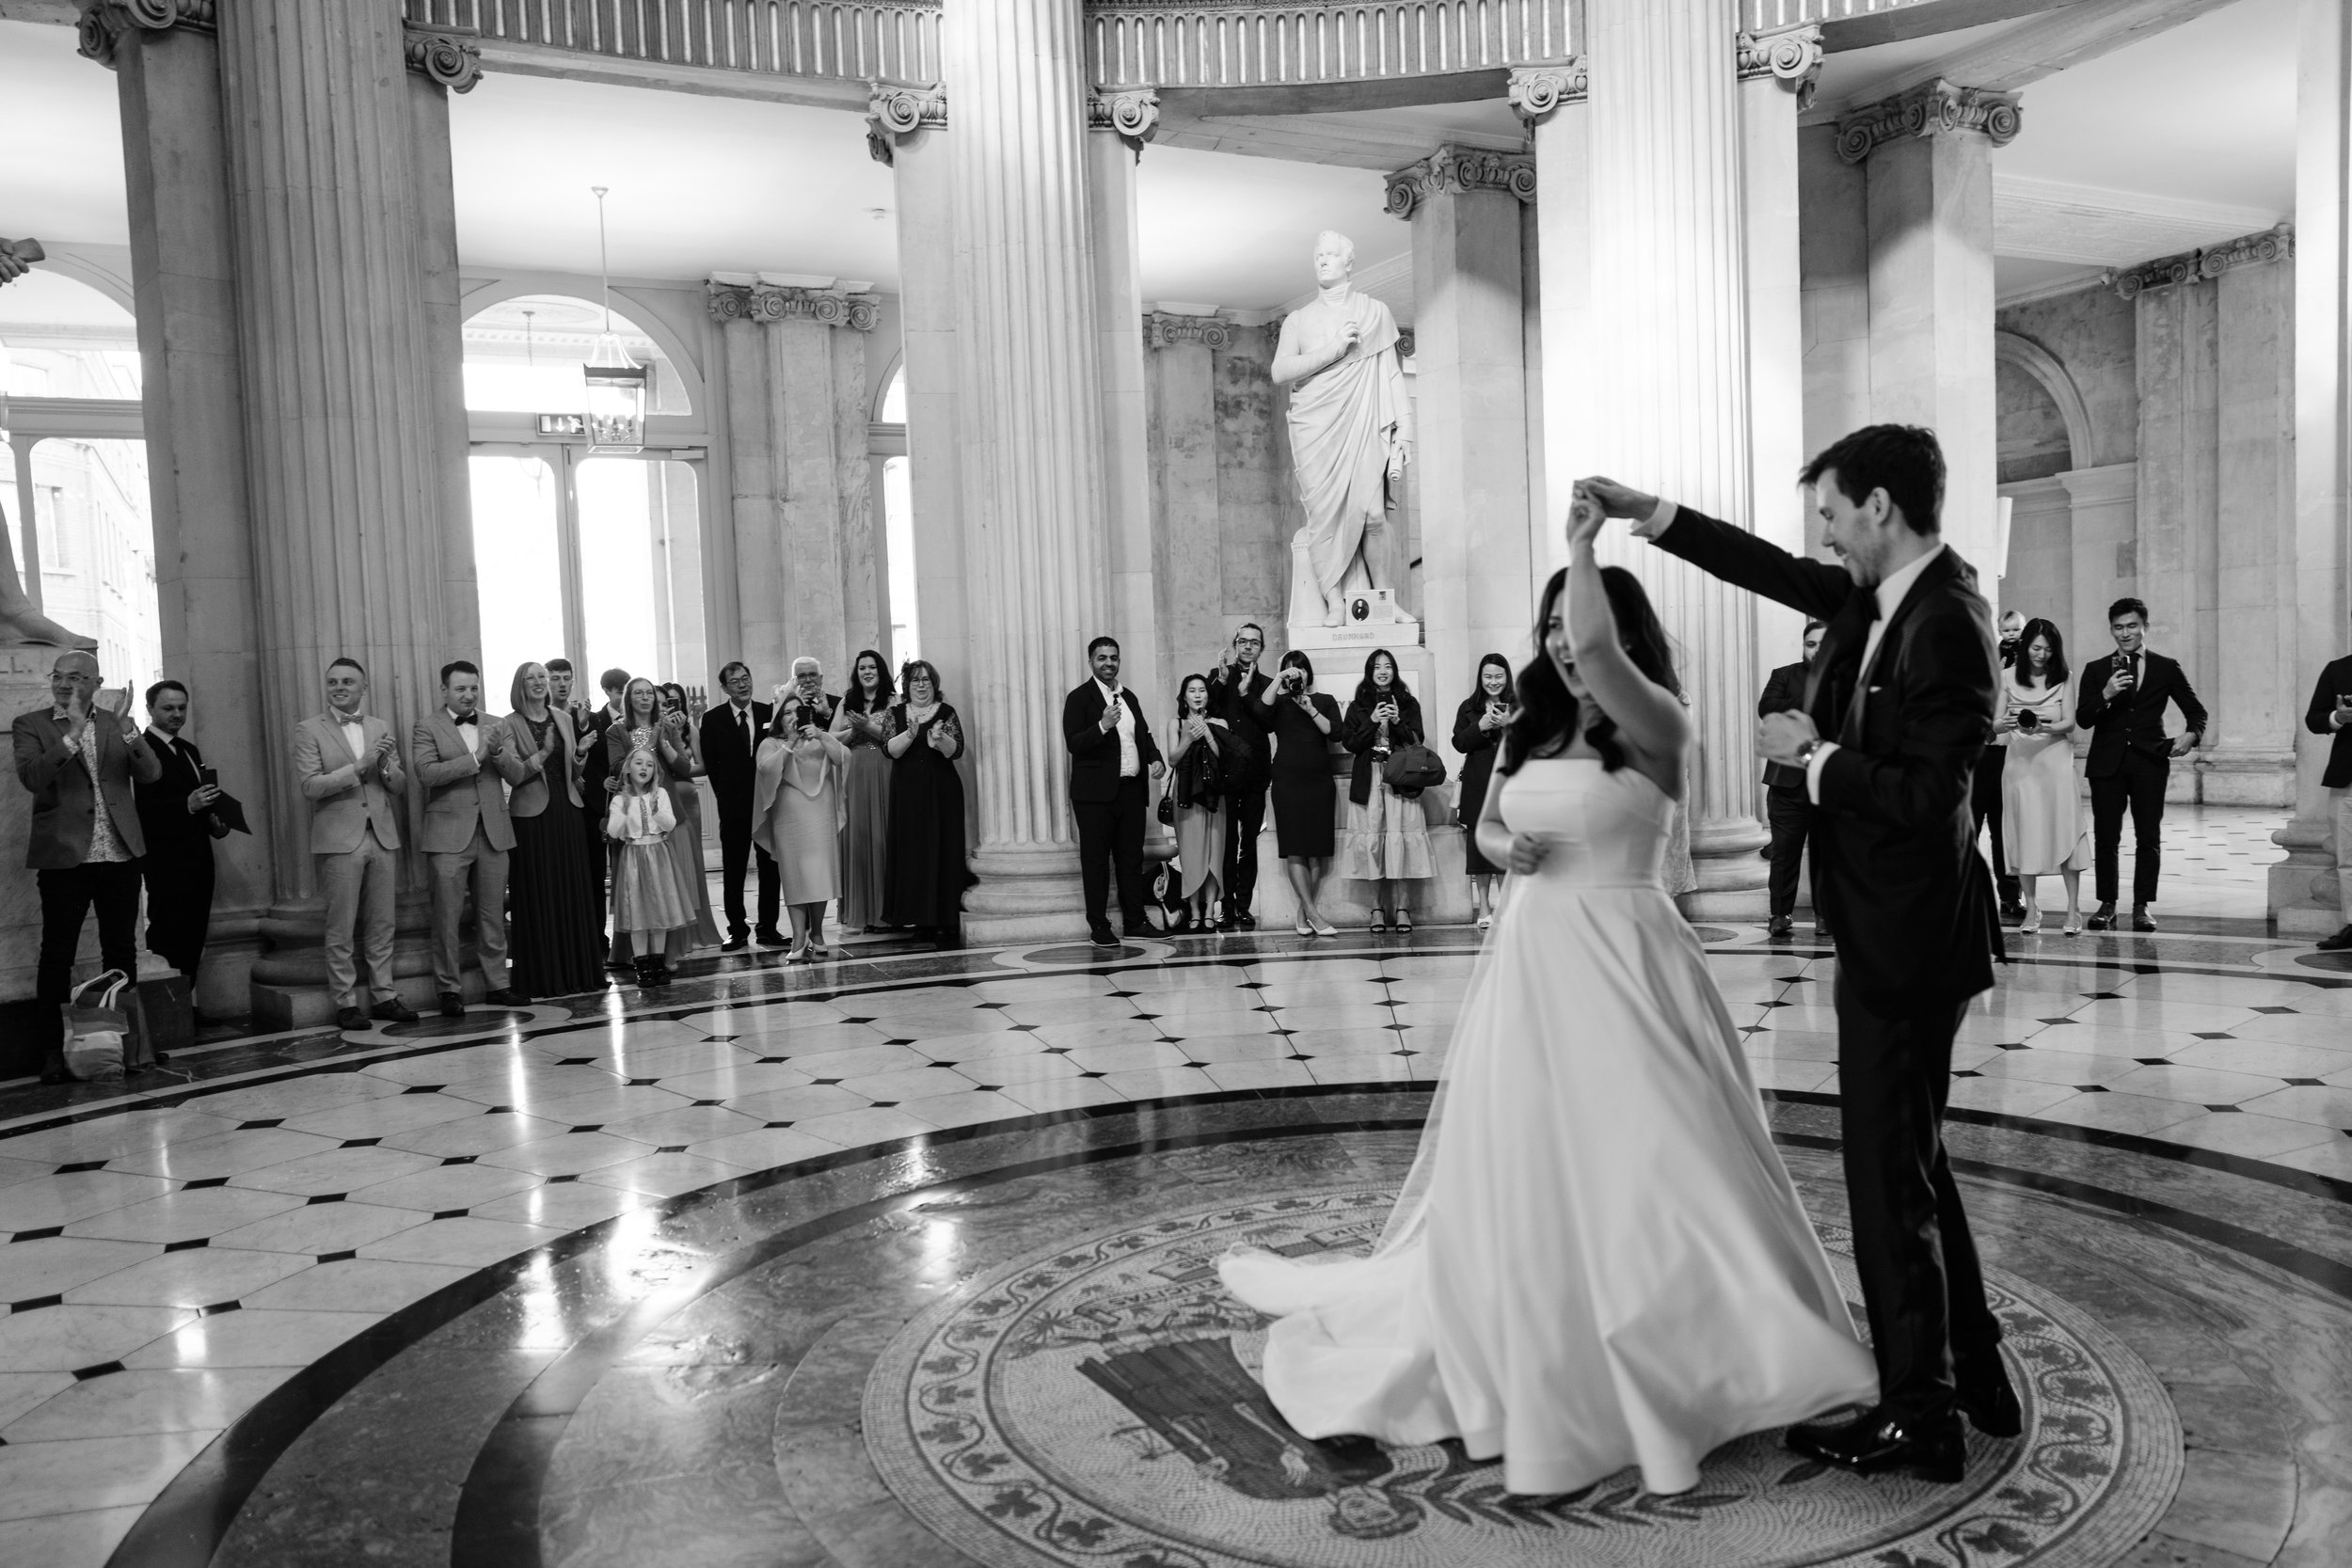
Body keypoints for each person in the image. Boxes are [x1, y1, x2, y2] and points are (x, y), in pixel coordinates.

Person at [1219, 512, 1876, 1497]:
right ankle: (1533, 1327)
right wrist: (1501, 852)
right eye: (1554, 635)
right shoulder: (1528, 727)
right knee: (1527, 1161)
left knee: (1653, 1156)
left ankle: (1689, 1344)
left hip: (1627, 955)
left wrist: (1583, 544)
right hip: (1532, 955)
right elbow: (1483, 828)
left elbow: (1608, 655)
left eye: (1582, 633)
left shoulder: (1662, 723)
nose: (1567, 649)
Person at [1581, 422, 2017, 1483]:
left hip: (1911, 941)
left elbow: (1928, 796)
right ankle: (1973, 1359)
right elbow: (1764, 567)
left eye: (1830, 511)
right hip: (1889, 926)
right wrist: (1651, 515)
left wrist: (1814, 759)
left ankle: (1920, 1416)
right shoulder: (1878, 599)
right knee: (1912, 1155)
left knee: (1883, 1178)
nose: (1820, 532)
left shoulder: (1947, 621)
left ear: (1879, 507)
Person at [15, 650, 165, 1081]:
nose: (64, 685)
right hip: (65, 856)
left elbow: (152, 774)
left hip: (119, 852)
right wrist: (72, 734)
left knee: (121, 952)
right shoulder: (34, 725)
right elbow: (31, 777)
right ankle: (53, 1052)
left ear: (96, 683)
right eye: (58, 677)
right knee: (57, 955)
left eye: (77, 677)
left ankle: (130, 1047)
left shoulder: (117, 724)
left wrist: (130, 730)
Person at [1273, 230, 1416, 626]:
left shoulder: (1374, 313)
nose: (1322, 261)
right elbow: (1280, 370)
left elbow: (1390, 375)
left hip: (1361, 421)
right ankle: (1334, 600)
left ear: (1349, 263)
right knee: (1323, 516)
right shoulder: (1298, 320)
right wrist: (1333, 349)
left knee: (1372, 515)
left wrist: (1404, 430)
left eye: (1331, 255)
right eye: (1318, 255)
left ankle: (1384, 601)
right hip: (1315, 426)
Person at [293, 657, 417, 1033]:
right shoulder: (308, 729)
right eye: (333, 682)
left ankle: (384, 995)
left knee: (383, 923)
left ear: (364, 688)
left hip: (381, 833)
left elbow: (397, 786)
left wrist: (382, 767)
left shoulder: (379, 726)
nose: (340, 687)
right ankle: (345, 1002)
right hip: (338, 839)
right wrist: (359, 767)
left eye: (348, 681)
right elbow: (310, 786)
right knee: (341, 926)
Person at [2077, 596, 2207, 932]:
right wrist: (2105, 694)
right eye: (2118, 627)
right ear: (2111, 630)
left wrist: (2191, 735)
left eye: (2132, 626)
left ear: (2144, 627)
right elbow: (2083, 719)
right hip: (2107, 764)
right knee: (2107, 836)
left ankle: (2142, 905)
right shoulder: (2095, 670)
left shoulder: (2166, 667)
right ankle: (2106, 904)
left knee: (2148, 836)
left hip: (2150, 761)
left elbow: (2197, 711)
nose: (2125, 633)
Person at [412, 660, 532, 1017]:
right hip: (448, 836)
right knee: (447, 917)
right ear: (445, 690)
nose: (468, 695)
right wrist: (476, 757)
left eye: (474, 688)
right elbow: (426, 773)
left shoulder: (497, 724)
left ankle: (498, 984)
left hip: (494, 831)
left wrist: (496, 752)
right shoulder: (426, 726)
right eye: (461, 689)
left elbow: (518, 774)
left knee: (493, 915)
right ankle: (448, 989)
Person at [504, 661, 603, 997]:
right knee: (538, 892)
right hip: (531, 818)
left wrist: (580, 754)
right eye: (531, 678)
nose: (538, 682)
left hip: (567, 810)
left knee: (571, 890)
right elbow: (514, 775)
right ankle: (544, 975)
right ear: (520, 685)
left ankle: (578, 971)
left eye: (541, 677)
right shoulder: (509, 724)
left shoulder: (563, 718)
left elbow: (574, 772)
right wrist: (544, 752)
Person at [1063, 636, 1165, 948]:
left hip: (1131, 792)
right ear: (1090, 661)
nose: (1109, 663)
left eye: (1113, 658)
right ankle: (1099, 925)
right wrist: (1103, 725)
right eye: (1102, 658)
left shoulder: (1129, 697)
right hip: (1094, 796)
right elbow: (1075, 743)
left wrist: (1155, 757)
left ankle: (1135, 921)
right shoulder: (1079, 698)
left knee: (1130, 860)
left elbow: (1142, 733)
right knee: (1095, 862)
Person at [606, 677, 714, 968]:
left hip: (666, 812)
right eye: (638, 693)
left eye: (648, 694)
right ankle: (639, 956)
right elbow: (617, 766)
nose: (644, 698)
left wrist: (663, 744)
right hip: (631, 812)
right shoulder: (616, 731)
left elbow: (682, 767)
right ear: (629, 699)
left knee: (667, 888)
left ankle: (670, 952)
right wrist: (646, 750)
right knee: (638, 890)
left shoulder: (666, 727)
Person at [132, 678, 230, 996]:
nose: (176, 714)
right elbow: (142, 807)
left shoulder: (188, 748)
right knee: (168, 932)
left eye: (181, 708)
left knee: (194, 933)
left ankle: (186, 1006)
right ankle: (166, 1010)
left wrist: (215, 823)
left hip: (198, 856)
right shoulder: (140, 749)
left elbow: (200, 799)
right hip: (164, 859)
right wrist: (187, 805)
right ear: (150, 709)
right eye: (168, 708)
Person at [1999, 620, 2090, 934]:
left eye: (2049, 649)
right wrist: (2008, 721)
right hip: (2020, 763)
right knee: (2025, 832)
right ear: (2024, 646)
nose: (2042, 654)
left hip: (2055, 761)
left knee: (2064, 829)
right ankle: (2032, 910)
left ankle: (2072, 910)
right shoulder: (2006, 677)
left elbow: (2069, 723)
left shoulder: (2064, 677)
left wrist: (2042, 727)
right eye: (2036, 647)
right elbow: (1994, 723)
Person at [755, 679, 851, 959]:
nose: (793, 717)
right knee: (796, 877)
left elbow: (843, 758)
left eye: (798, 711)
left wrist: (821, 735)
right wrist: (791, 743)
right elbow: (765, 770)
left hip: (819, 816)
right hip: (789, 820)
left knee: (818, 874)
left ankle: (818, 932)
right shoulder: (770, 743)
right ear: (779, 718)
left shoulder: (818, 741)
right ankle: (798, 937)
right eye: (787, 712)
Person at [1340, 648, 1432, 932]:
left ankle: (1403, 909)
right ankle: (1376, 910)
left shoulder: (1408, 702)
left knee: (1400, 840)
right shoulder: (1357, 706)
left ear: (1395, 671)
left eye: (1388, 666)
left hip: (1400, 781)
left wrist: (1395, 721)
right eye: (1377, 666)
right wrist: (1372, 721)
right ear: (1370, 672)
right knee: (1372, 844)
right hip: (1369, 780)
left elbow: (1418, 739)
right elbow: (1350, 744)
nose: (1383, 671)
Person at [882, 660, 973, 948]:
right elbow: (889, 750)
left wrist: (939, 738)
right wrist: (910, 734)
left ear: (934, 685)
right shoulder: (896, 713)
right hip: (907, 794)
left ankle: (946, 920)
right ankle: (920, 920)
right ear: (907, 686)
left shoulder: (946, 712)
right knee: (913, 853)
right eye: (916, 680)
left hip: (942, 792)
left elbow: (955, 751)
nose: (922, 684)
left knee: (944, 850)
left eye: (927, 680)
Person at [700, 659, 784, 951]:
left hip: (766, 802)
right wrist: (725, 795)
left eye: (745, 678)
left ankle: (768, 928)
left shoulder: (768, 713)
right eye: (735, 681)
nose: (743, 684)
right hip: (733, 805)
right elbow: (711, 765)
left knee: (769, 867)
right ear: (724, 687)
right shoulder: (712, 720)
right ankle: (737, 929)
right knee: (734, 868)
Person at [1263, 649, 1343, 937]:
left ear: (1310, 673)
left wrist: (1310, 708)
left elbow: (1335, 733)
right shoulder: (1278, 703)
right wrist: (1279, 679)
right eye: (1290, 669)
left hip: (1319, 781)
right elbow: (1261, 712)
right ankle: (1314, 914)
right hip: (1287, 781)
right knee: (1295, 849)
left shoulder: (1323, 701)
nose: (1297, 673)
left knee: (1318, 852)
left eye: (1301, 668)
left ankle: (1303, 911)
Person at [1757, 622, 1829, 942]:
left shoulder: (1849, 680)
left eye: (1824, 644)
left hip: (1832, 783)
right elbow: (1767, 708)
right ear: (1803, 646)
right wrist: (1809, 698)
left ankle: (1825, 915)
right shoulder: (1784, 675)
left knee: (1829, 854)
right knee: (1784, 853)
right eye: (1811, 644)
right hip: (1787, 783)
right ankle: (1779, 914)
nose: (1817, 650)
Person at [607, 742, 693, 989]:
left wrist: (656, 810)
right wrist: (621, 811)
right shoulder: (620, 799)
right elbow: (614, 831)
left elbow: (669, 824)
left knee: (659, 911)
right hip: (633, 856)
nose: (644, 768)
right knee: (638, 914)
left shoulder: (661, 795)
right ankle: (642, 966)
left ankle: (658, 962)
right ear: (627, 769)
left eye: (649, 764)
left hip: (659, 856)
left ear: (655, 771)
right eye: (638, 763)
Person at [1206, 625, 1275, 930]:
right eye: (1242, 641)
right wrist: (1220, 680)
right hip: (1225, 773)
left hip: (1256, 773)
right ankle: (1227, 907)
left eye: (1254, 643)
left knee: (1249, 841)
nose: (1248, 647)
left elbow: (1268, 722)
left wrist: (1247, 693)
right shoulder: (1220, 675)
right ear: (1234, 645)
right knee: (1227, 842)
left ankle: (1244, 906)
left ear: (1261, 648)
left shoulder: (1267, 683)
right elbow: (1204, 706)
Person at [832, 649, 896, 933]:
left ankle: (886, 912)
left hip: (884, 770)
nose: (867, 672)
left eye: (872, 667)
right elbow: (832, 738)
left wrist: (868, 727)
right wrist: (853, 733)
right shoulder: (848, 701)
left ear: (880, 671)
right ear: (856, 674)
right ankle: (860, 911)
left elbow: (898, 736)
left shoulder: (894, 701)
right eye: (861, 668)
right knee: (858, 838)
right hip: (854, 773)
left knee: (883, 837)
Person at [659, 681, 724, 950]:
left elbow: (703, 766)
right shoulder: (657, 731)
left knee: (692, 863)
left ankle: (696, 926)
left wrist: (679, 769)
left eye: (675, 701)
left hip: (687, 799)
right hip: (662, 799)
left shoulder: (691, 731)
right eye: (666, 702)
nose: (671, 706)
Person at [1451, 653, 1513, 931]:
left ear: (1507, 676)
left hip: (1509, 786)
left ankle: (1508, 906)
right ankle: (1485, 907)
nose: (1493, 681)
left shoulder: (1519, 704)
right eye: (1488, 676)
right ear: (1480, 678)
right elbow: (1459, 743)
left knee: (1505, 849)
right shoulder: (1469, 707)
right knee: (1479, 851)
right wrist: (1482, 726)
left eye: (1498, 676)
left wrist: (1509, 724)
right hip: (1477, 786)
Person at [1974, 610, 2027, 925]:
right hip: (1982, 753)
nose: (2011, 635)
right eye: (2005, 630)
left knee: (2005, 830)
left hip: (2014, 754)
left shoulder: (2031, 663)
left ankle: (2010, 895)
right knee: (1971, 825)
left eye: (2016, 629)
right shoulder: (1985, 661)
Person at [1166, 673, 1229, 934]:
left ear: (1208, 695)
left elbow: (1226, 758)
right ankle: (1193, 912)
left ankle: (1211, 911)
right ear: (1184, 696)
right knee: (1191, 856)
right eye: (1192, 690)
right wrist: (1189, 737)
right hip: (1187, 798)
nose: (1197, 695)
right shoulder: (1175, 723)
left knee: (1215, 854)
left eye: (1202, 690)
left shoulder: (1220, 721)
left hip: (1215, 797)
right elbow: (1173, 759)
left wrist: (1209, 734)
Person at [580, 666, 630, 971]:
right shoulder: (595, 721)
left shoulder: (635, 722)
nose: (623, 696)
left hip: (631, 809)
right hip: (599, 809)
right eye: (618, 691)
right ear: (607, 692)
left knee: (628, 873)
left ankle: (631, 937)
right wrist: (601, 787)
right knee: (597, 877)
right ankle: (599, 938)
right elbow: (586, 763)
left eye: (627, 689)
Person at [2305, 648, 2352, 951]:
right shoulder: (2338, 670)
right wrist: (2338, 717)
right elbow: (2314, 719)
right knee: (2348, 858)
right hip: (2348, 779)